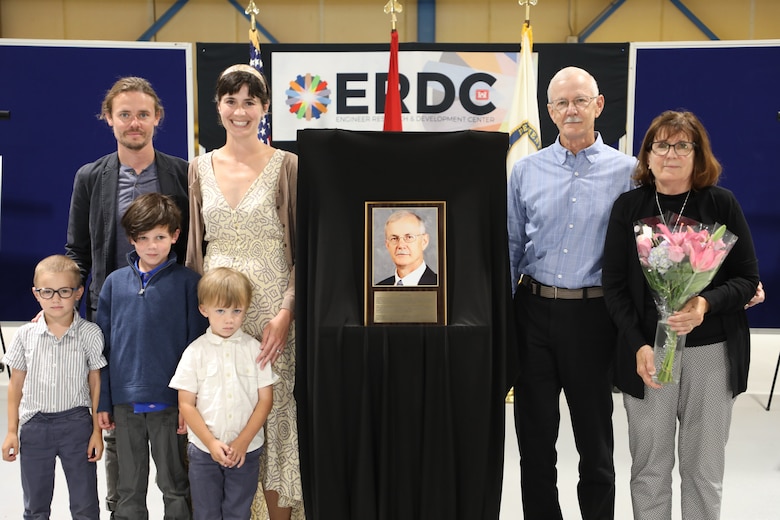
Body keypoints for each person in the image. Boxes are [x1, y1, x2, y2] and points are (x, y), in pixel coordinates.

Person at [602, 110, 759, 520]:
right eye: (661, 145)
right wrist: (637, 345)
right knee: (649, 468)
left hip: (711, 351)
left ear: (698, 154)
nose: (670, 154)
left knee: (704, 469)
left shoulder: (721, 203)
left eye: (682, 145)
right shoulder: (628, 207)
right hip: (649, 354)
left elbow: (747, 278)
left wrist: (705, 303)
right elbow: (614, 286)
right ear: (647, 155)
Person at [507, 66, 637, 520]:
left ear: (598, 105)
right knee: (534, 442)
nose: (571, 110)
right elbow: (511, 245)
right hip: (532, 313)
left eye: (580, 100)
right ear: (549, 111)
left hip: (593, 319)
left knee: (595, 443)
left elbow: (648, 247)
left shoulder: (628, 172)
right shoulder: (525, 170)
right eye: (561, 103)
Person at [65, 75, 190, 516]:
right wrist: (65, 309)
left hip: (171, 317)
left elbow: (195, 244)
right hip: (114, 318)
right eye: (124, 115)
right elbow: (77, 251)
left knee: (174, 433)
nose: (134, 122)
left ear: (157, 117)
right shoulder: (90, 178)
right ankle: (123, 506)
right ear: (109, 119)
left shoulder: (183, 173)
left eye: (142, 114)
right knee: (120, 429)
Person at [186, 64, 303, 520]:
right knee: (223, 407)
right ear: (218, 107)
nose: (240, 111)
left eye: (250, 102)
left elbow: (303, 249)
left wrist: (287, 312)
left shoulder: (288, 165)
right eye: (231, 101)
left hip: (272, 313)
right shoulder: (198, 168)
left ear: (265, 107)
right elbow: (194, 251)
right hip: (218, 314)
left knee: (273, 413)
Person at [97, 193, 207, 520]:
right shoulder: (114, 284)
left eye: (160, 237)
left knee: (174, 484)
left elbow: (196, 349)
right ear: (131, 239)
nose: (152, 246)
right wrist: (103, 402)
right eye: (143, 238)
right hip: (124, 405)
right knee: (128, 488)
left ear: (175, 235)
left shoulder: (189, 284)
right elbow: (103, 349)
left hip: (171, 405)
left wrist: (190, 404)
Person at [2, 255, 106, 519]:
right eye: (47, 292)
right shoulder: (25, 335)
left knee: (85, 504)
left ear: (78, 292)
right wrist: (12, 431)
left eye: (64, 291)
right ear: (36, 294)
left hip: (77, 425)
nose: (56, 299)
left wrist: (96, 431)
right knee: (35, 505)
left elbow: (95, 382)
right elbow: (15, 385)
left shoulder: (91, 334)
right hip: (35, 427)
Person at [170, 267, 278, 520]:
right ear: (204, 310)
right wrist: (210, 443)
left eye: (236, 311)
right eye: (220, 311)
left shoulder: (256, 351)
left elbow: (265, 400)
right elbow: (186, 404)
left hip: (246, 451)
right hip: (204, 451)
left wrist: (242, 442)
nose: (229, 319)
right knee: (206, 512)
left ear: (246, 309)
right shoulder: (194, 352)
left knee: (238, 512)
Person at [377, 210, 438, 286]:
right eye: (394, 238)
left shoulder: (443, 285)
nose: (401, 245)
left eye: (409, 237)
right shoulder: (379, 287)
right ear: (387, 245)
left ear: (424, 241)